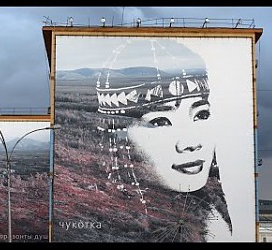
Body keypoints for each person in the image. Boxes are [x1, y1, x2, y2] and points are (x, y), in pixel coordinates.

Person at [94, 38, 233, 242]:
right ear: (118, 133)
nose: (191, 143)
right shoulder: (107, 223)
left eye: (202, 115)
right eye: (160, 122)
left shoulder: (217, 214)